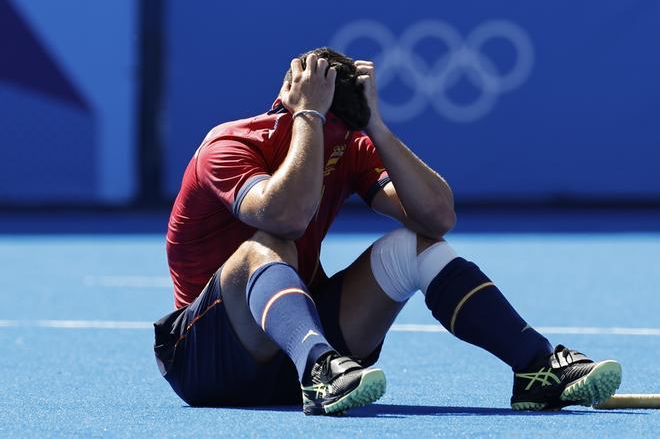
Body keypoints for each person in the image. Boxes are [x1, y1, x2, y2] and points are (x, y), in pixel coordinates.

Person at [154, 47, 622, 415]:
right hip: (203, 361)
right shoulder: (228, 145)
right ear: (290, 105)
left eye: (344, 130)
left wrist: (376, 127)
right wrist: (310, 118)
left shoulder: (351, 144)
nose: (338, 146)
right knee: (269, 245)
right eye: (330, 126)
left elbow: (438, 216)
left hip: (287, 360)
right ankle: (320, 368)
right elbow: (288, 219)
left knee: (413, 246)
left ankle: (536, 367)